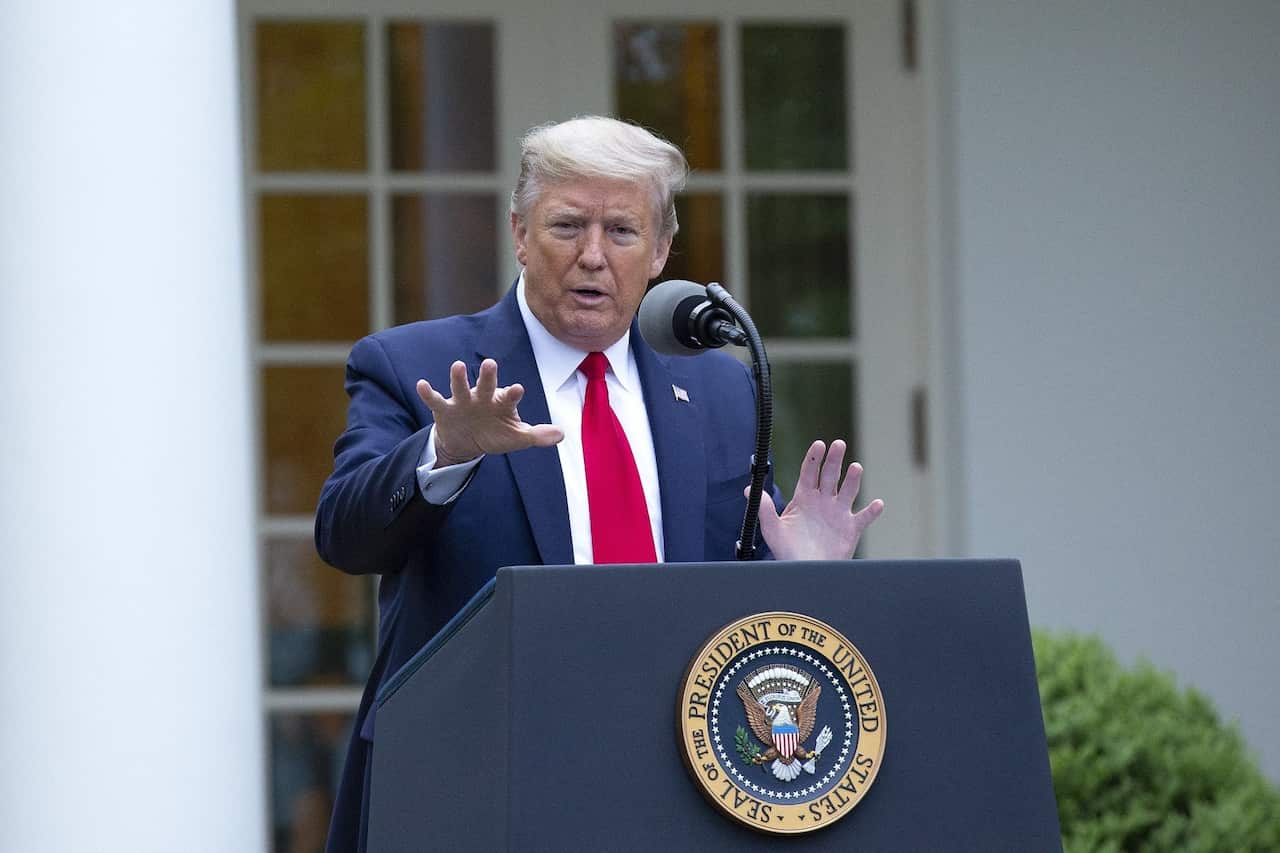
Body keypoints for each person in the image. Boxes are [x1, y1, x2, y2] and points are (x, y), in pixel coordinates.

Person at [314, 115, 884, 852]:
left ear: (660, 251)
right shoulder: (418, 366)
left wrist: (799, 577)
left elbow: (734, 602)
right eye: (566, 226)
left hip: (676, 784)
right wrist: (443, 450)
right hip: (480, 781)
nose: (592, 256)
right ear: (519, 232)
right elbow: (345, 534)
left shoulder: (718, 388)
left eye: (620, 230)